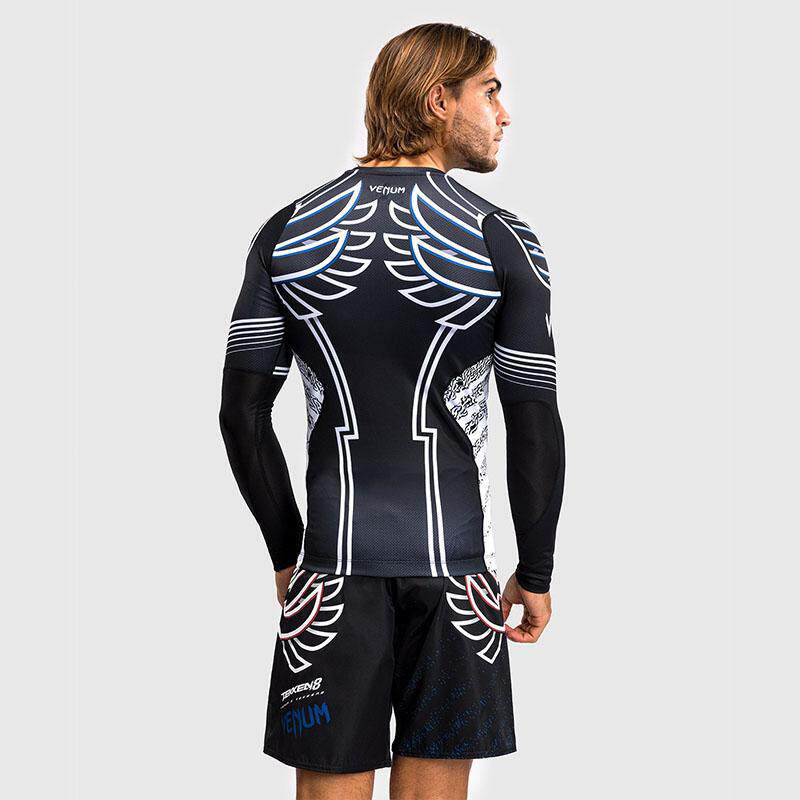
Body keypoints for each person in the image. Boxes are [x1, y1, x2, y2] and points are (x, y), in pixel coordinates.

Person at [219, 22, 566, 800]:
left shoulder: (286, 231)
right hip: (456, 580)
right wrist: (537, 570)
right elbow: (533, 420)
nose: (504, 113)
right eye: (490, 91)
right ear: (440, 100)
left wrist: (288, 555)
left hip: (330, 573)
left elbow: (241, 414)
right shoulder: (502, 239)